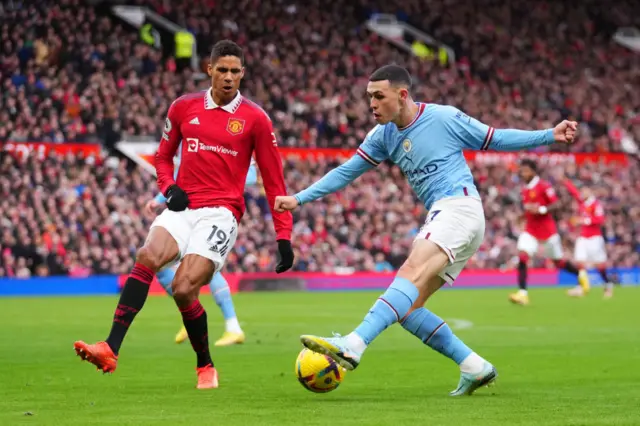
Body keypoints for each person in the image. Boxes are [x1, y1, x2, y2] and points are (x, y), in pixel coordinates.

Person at [274, 64, 577, 396]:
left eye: (379, 96)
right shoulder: (382, 135)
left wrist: (550, 135)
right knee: (409, 308)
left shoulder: (444, 118)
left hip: (458, 208)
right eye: (369, 97)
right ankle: (474, 366)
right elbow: (346, 171)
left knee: (410, 271)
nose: (372, 104)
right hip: (452, 217)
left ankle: (354, 343)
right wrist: (299, 199)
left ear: (402, 95)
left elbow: (495, 138)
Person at [74, 40, 294, 389]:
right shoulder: (183, 107)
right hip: (184, 206)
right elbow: (162, 156)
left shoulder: (255, 119)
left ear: (243, 74)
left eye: (235, 71)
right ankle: (110, 348)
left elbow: (274, 181)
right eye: (222, 69)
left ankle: (205, 365)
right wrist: (168, 187)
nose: (228, 77)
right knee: (147, 256)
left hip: (221, 213)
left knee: (182, 288)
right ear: (209, 69)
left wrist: (283, 236)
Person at [145, 160, 259, 345]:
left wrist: (216, 178)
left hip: (215, 212)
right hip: (189, 211)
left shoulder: (231, 135)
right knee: (160, 265)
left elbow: (251, 176)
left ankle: (233, 327)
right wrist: (160, 199)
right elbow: (183, 174)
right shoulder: (189, 135)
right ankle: (189, 314)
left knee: (204, 262)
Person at [509, 160, 589, 306]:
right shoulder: (525, 189)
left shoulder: (544, 186)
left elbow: (557, 204)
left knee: (558, 262)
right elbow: (529, 209)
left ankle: (581, 274)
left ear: (533, 171)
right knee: (522, 255)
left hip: (547, 232)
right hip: (531, 230)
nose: (523, 173)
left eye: (526, 170)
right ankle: (523, 294)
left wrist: (542, 210)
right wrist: (522, 216)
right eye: (522, 170)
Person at [563, 179, 615, 298]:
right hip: (583, 238)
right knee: (579, 262)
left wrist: (583, 220)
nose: (582, 193)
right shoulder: (582, 202)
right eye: (582, 191)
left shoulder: (595, 204)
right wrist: (566, 182)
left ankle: (607, 285)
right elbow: (574, 193)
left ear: (590, 192)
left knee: (599, 265)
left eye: (584, 190)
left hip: (595, 238)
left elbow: (600, 220)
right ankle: (581, 286)